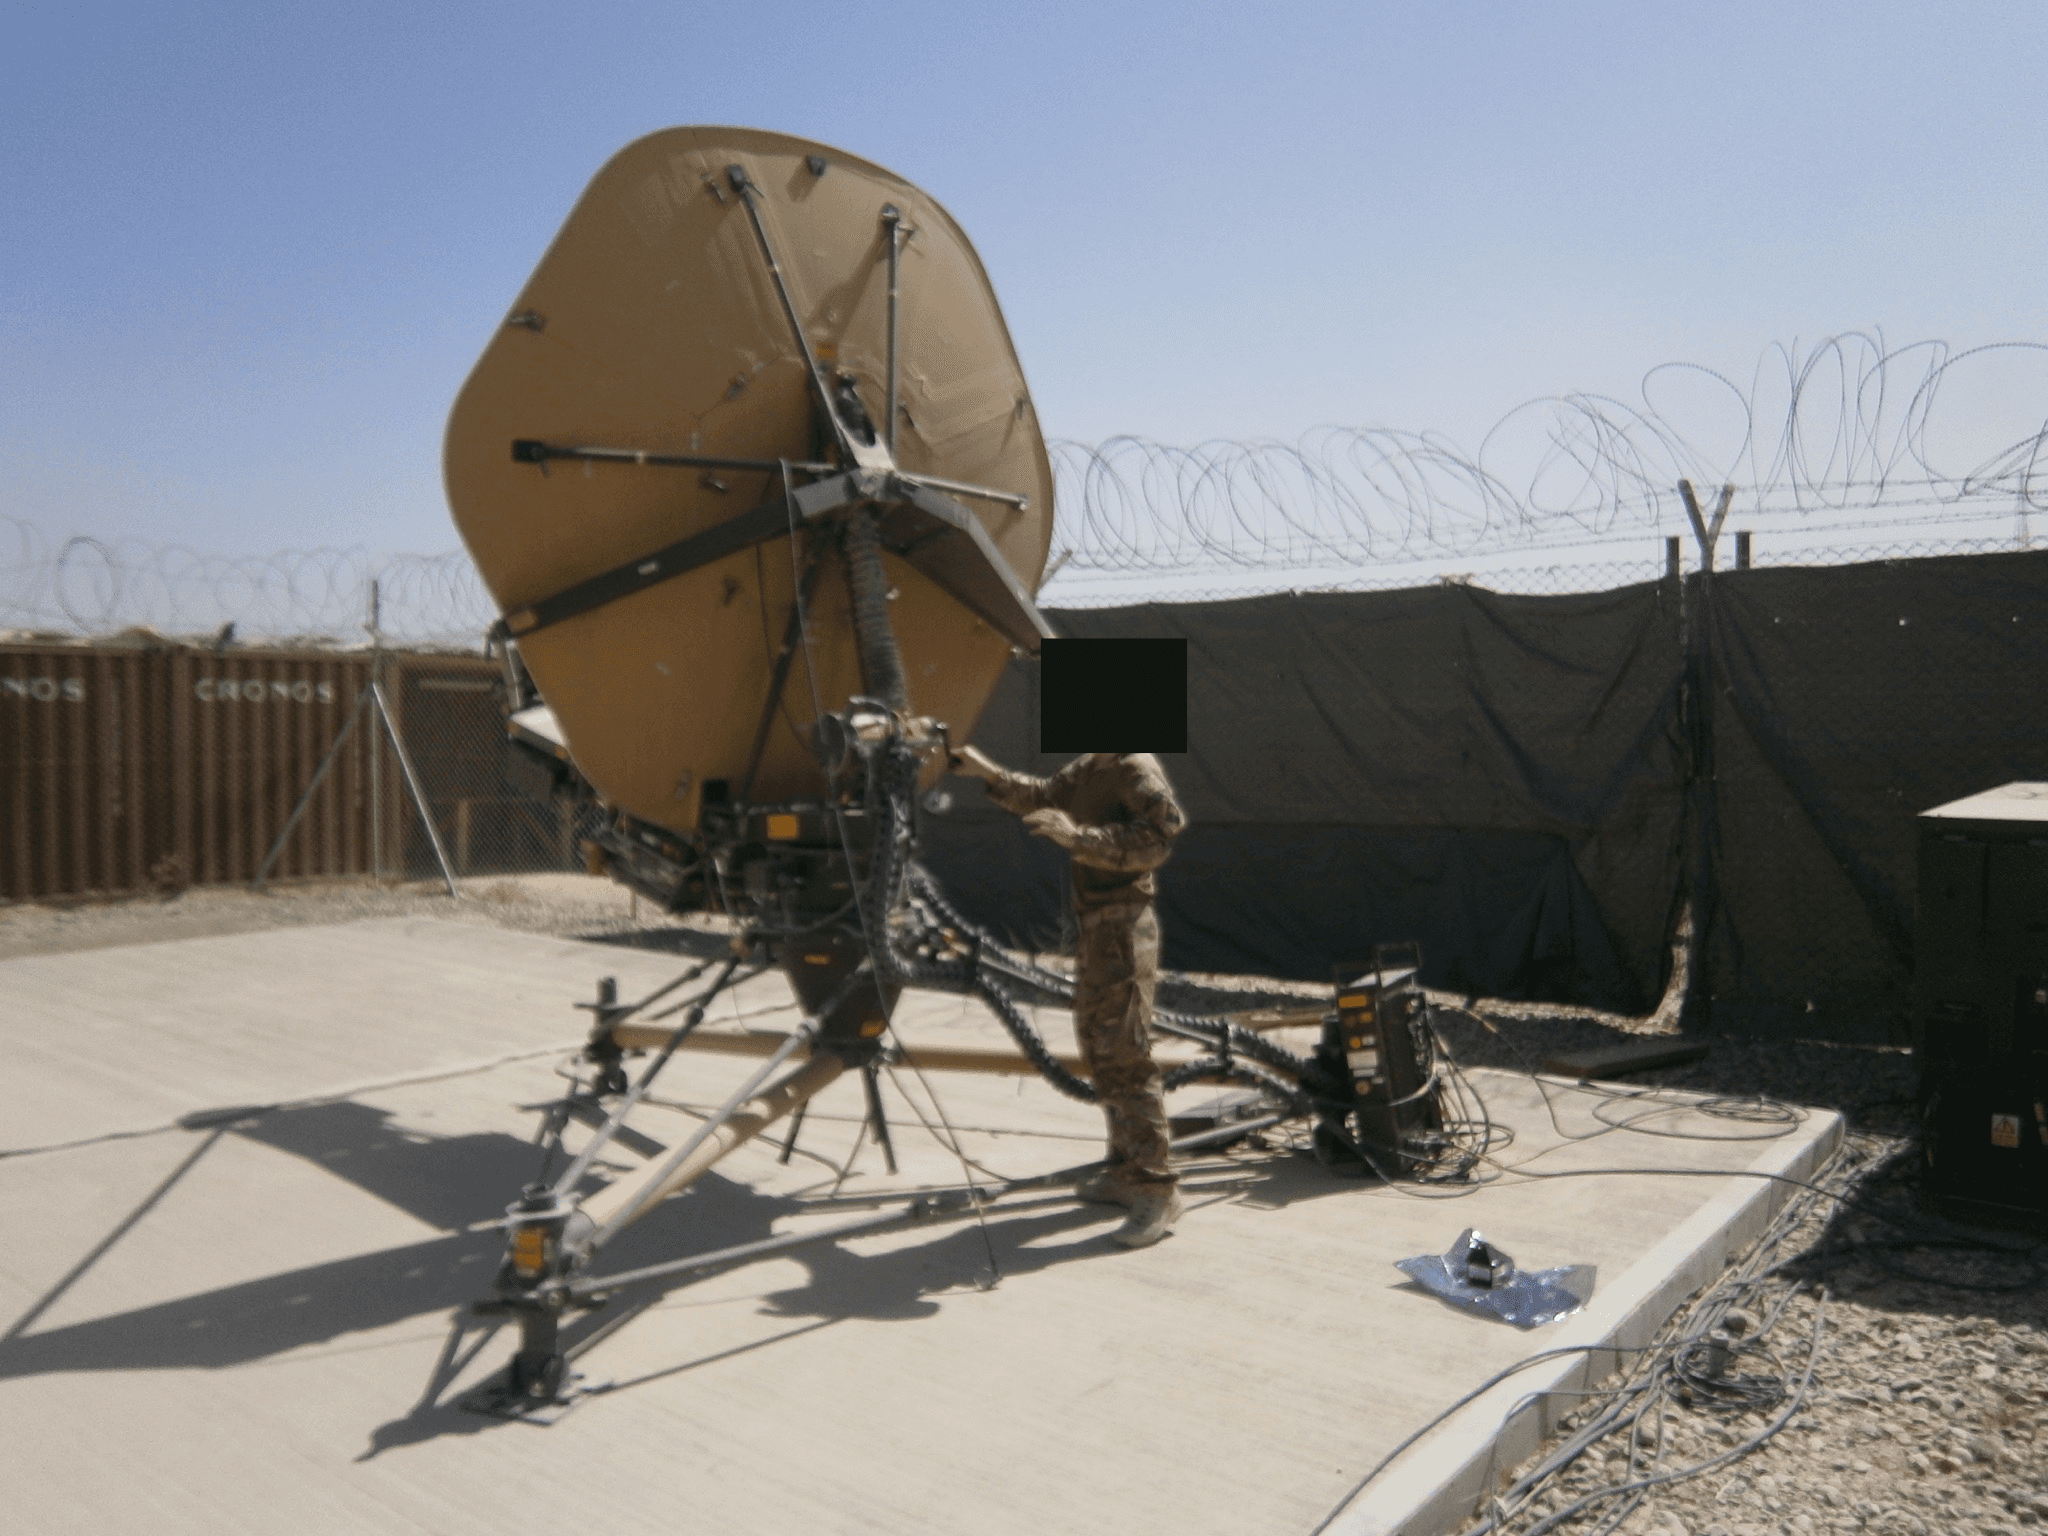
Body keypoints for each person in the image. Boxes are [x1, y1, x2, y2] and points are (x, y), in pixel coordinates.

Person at [948, 745, 1188, 1248]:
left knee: (1126, 1051)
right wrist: (986, 770)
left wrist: (1080, 838)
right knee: (1100, 1049)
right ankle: (1125, 1170)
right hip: (1097, 925)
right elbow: (1042, 797)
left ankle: (1157, 1189)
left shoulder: (1132, 767)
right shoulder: (1090, 766)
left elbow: (1162, 835)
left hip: (1125, 925)